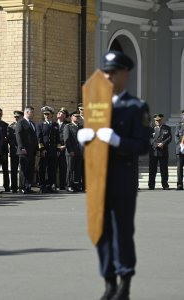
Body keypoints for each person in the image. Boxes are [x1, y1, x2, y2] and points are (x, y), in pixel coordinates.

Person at [77, 50, 151, 300]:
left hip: (121, 179)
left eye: (113, 72)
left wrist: (119, 141)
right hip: (97, 179)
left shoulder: (136, 107)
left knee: (122, 232)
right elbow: (92, 140)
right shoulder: (96, 104)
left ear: (125, 74)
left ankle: (125, 281)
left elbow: (143, 146)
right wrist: (82, 140)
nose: (108, 76)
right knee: (100, 231)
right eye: (105, 71)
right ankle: (109, 281)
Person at [36, 106, 61, 193]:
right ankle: (42, 186)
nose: (46, 116)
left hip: (53, 151)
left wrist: (58, 150)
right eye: (45, 114)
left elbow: (58, 138)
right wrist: (42, 149)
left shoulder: (55, 125)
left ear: (51, 115)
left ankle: (50, 185)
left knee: (52, 169)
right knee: (42, 169)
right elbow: (39, 138)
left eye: (48, 114)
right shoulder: (40, 124)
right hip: (45, 150)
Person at [15, 105, 38, 194]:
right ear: (27, 112)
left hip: (31, 151)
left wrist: (36, 149)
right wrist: (21, 147)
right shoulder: (21, 122)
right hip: (24, 150)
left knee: (30, 169)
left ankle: (28, 186)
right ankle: (22, 187)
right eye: (32, 112)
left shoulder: (32, 123)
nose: (33, 114)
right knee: (23, 169)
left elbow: (34, 138)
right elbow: (18, 135)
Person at [148, 114, 172, 190]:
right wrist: (156, 144)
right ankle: (151, 185)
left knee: (164, 170)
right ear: (154, 121)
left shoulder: (167, 128)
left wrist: (163, 143)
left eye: (159, 120)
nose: (158, 121)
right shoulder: (151, 129)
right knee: (152, 170)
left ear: (162, 120)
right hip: (153, 151)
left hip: (163, 151)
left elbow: (169, 137)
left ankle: (165, 185)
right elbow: (149, 139)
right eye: (156, 120)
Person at [63, 111, 82, 192]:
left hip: (79, 151)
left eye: (78, 117)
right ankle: (69, 185)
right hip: (71, 151)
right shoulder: (68, 126)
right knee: (70, 169)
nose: (77, 118)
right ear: (71, 117)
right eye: (75, 116)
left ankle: (76, 185)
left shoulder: (81, 127)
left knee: (78, 169)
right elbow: (66, 140)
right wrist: (70, 150)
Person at [7, 110, 24, 193]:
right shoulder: (11, 126)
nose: (16, 118)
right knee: (14, 170)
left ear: (22, 116)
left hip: (23, 151)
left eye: (18, 117)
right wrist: (17, 147)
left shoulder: (25, 125)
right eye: (15, 117)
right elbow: (9, 139)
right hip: (14, 150)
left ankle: (22, 186)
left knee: (22, 169)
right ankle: (14, 187)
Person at [175, 110, 184, 190]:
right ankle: (180, 184)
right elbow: (176, 136)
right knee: (179, 168)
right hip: (180, 149)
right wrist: (180, 145)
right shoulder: (179, 125)